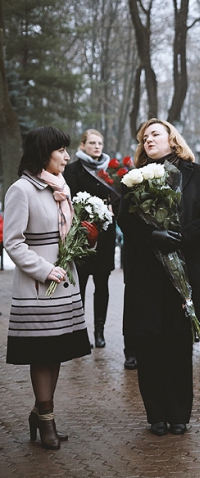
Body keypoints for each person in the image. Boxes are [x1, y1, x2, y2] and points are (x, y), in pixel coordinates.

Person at [118, 119, 200, 436]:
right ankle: (156, 415)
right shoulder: (133, 179)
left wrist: (179, 237)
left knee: (178, 343)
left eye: (155, 134)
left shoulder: (197, 174)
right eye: (144, 137)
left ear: (172, 139)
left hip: (184, 272)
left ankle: (179, 415)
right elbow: (126, 221)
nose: (148, 139)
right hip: (147, 273)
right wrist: (153, 235)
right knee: (149, 344)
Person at [4, 126, 92, 449]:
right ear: (44, 154)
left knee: (55, 350)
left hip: (64, 283)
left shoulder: (61, 188)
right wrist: (44, 270)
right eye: (61, 151)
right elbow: (13, 242)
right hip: (38, 286)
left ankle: (40, 413)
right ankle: (46, 421)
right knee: (41, 353)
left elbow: (64, 235)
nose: (67, 157)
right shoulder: (21, 190)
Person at [64, 129, 121, 351]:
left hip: (105, 236)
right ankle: (79, 331)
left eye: (100, 143)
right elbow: (71, 199)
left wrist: (112, 208)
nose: (97, 147)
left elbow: (118, 197)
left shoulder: (110, 170)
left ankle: (99, 332)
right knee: (80, 286)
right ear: (83, 145)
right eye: (92, 143)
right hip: (82, 236)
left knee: (102, 285)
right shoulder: (73, 170)